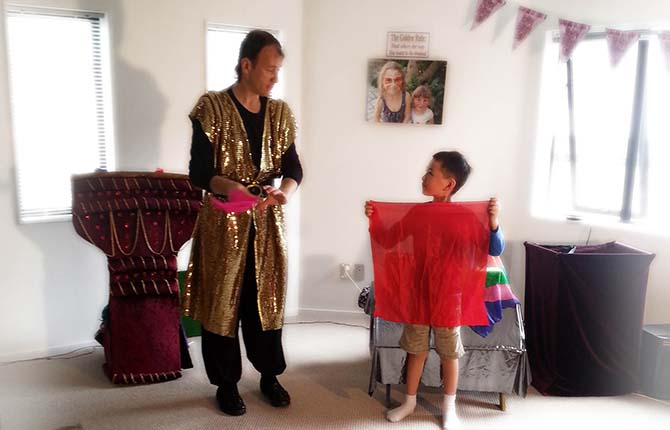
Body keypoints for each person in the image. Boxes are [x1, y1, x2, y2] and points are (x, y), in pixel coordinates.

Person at [183, 29, 303, 417]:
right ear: (246, 65)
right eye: (269, 68)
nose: (275, 77)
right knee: (223, 304)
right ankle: (227, 384)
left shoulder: (280, 114)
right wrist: (229, 187)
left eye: (279, 69)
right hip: (224, 223)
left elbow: (294, 168)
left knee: (264, 300)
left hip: (266, 222)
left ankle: (269, 376)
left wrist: (285, 191)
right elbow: (199, 172)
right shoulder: (212, 108)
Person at [364, 151, 503, 429]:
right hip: (418, 293)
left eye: (430, 172)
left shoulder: (466, 217)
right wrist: (374, 217)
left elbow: (494, 248)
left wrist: (494, 222)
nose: (424, 177)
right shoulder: (418, 214)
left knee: (449, 353)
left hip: (450, 296)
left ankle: (449, 407)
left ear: (448, 184)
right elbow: (388, 239)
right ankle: (410, 401)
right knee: (416, 350)